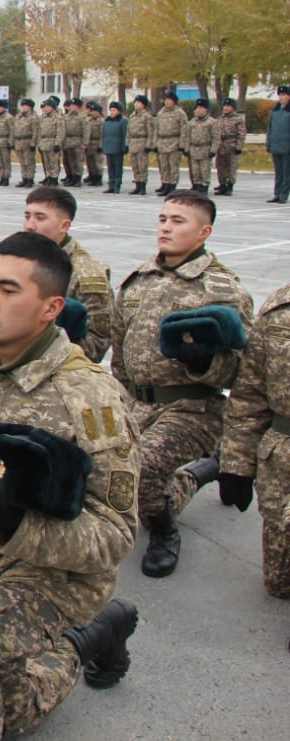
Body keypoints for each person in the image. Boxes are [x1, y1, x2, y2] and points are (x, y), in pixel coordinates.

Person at [0, 231, 141, 741]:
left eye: (10, 290)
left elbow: (115, 533)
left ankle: (85, 624)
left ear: (50, 307)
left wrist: (21, 525)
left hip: (51, 572)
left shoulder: (89, 400)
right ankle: (89, 640)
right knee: (8, 705)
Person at [111, 190, 253, 577]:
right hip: (137, 402)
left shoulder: (220, 289)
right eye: (163, 219)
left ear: (204, 231)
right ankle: (205, 471)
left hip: (193, 407)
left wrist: (204, 361)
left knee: (144, 470)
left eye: (178, 221)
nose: (167, 227)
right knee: (104, 469)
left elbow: (243, 370)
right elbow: (119, 348)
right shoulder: (137, 279)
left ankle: (164, 530)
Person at [218, 280, 290, 625]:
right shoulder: (280, 307)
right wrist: (237, 465)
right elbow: (250, 393)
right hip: (282, 459)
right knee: (278, 583)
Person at [22, 186, 113, 362]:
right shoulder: (23, 259)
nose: (29, 226)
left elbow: (96, 346)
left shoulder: (85, 273)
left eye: (40, 218)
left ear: (64, 225)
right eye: (27, 216)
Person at [182, 98, 221, 194]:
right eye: (196, 108)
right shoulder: (191, 122)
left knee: (204, 171)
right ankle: (197, 187)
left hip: (205, 150)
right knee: (195, 172)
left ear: (206, 110)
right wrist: (186, 148)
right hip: (194, 149)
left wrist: (213, 150)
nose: (197, 110)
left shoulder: (212, 122)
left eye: (200, 108)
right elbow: (187, 137)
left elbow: (216, 138)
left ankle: (204, 189)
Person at [154, 91, 188, 196]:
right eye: (165, 100)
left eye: (169, 100)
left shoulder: (180, 113)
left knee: (173, 166)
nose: (167, 102)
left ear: (174, 101)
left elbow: (184, 130)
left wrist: (182, 145)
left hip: (174, 142)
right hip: (162, 142)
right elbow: (156, 129)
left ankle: (172, 186)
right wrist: (155, 143)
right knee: (164, 166)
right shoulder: (161, 113)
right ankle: (165, 184)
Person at [213, 98, 246, 196]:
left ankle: (230, 186)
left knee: (231, 167)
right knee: (220, 167)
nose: (226, 108)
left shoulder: (238, 119)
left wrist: (239, 146)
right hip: (220, 146)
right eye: (225, 106)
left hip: (231, 145)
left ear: (233, 108)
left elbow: (241, 134)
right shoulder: (219, 119)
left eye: (228, 106)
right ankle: (222, 185)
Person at [126, 94, 156, 196]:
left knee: (142, 166)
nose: (136, 104)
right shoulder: (132, 116)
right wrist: (128, 143)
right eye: (135, 102)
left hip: (142, 142)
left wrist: (149, 144)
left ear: (143, 105)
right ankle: (137, 185)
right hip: (133, 142)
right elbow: (129, 131)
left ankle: (143, 186)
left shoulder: (147, 116)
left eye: (138, 103)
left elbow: (150, 131)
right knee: (135, 166)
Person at [267, 85, 290, 204]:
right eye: (279, 95)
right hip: (276, 146)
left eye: (284, 95)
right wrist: (269, 143)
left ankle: (283, 195)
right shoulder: (274, 111)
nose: (281, 97)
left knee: (287, 173)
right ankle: (277, 193)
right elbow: (270, 128)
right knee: (278, 173)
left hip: (287, 147)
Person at [11, 98, 40, 188]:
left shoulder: (34, 117)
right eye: (23, 106)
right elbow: (13, 130)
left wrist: (33, 143)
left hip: (28, 141)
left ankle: (30, 179)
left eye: (26, 106)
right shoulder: (19, 116)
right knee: (22, 163)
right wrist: (12, 142)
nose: (24, 107)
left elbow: (36, 131)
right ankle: (24, 178)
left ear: (30, 107)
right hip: (19, 142)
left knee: (29, 162)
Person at [37, 98, 66, 187]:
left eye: (48, 106)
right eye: (45, 107)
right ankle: (48, 177)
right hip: (44, 142)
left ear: (53, 107)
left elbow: (60, 132)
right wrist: (39, 144)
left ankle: (54, 178)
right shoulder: (42, 118)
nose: (45, 108)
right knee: (46, 162)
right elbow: (40, 131)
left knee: (53, 162)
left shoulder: (58, 117)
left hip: (53, 141)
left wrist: (58, 143)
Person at [62, 98, 87, 187]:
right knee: (70, 161)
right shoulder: (67, 116)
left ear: (78, 106)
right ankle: (72, 177)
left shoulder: (82, 116)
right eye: (71, 105)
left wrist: (85, 142)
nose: (71, 107)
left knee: (78, 161)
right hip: (68, 141)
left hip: (78, 141)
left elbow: (86, 130)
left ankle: (78, 178)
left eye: (73, 105)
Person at [83, 101, 105, 187]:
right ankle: (92, 177)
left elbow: (102, 134)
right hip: (90, 144)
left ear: (98, 111)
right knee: (90, 162)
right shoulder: (89, 120)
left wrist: (100, 145)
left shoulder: (101, 121)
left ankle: (98, 179)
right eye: (91, 111)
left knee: (98, 163)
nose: (91, 112)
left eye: (93, 111)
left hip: (97, 143)